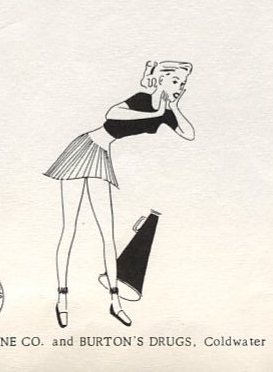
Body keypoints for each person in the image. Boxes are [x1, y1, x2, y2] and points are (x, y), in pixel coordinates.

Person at [44, 60, 194, 327]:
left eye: (182, 84)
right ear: (160, 80)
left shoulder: (165, 110)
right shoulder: (142, 99)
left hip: (102, 154)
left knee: (107, 233)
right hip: (84, 147)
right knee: (70, 228)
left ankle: (115, 301)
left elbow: (189, 133)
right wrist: (156, 110)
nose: (179, 87)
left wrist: (172, 107)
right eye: (174, 81)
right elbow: (112, 114)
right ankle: (62, 299)